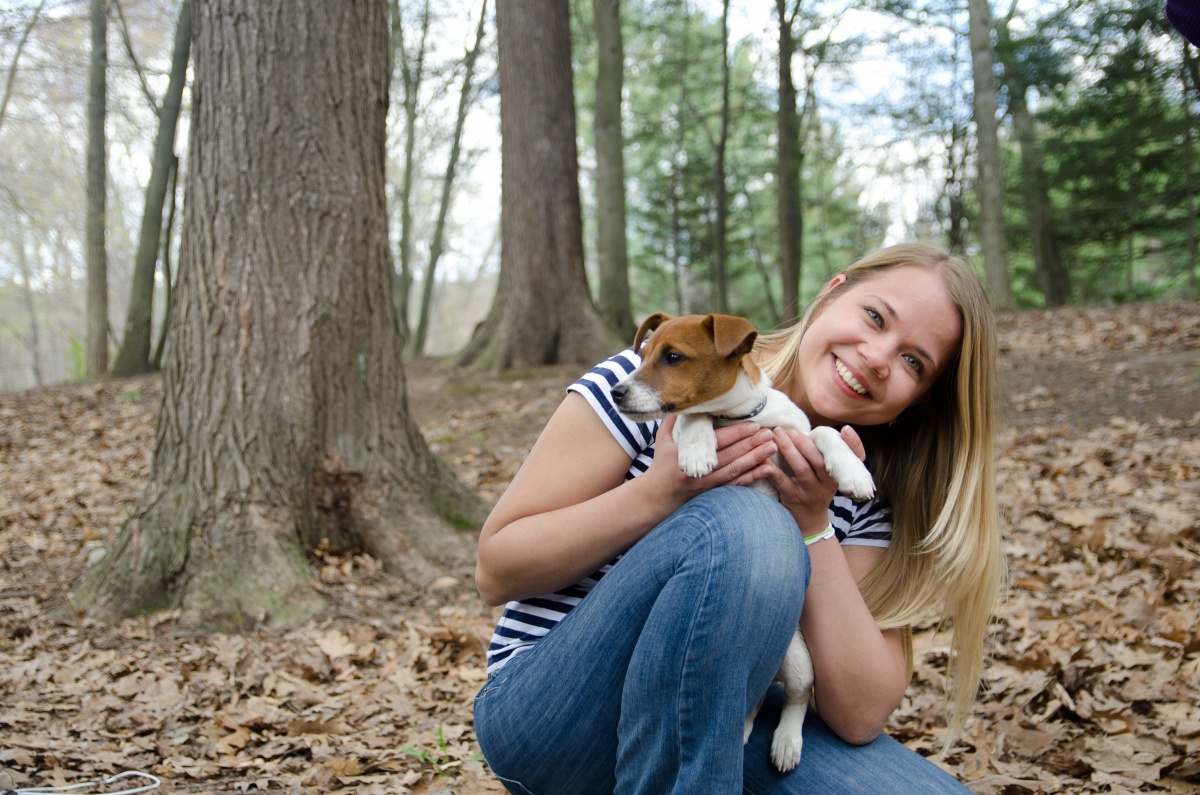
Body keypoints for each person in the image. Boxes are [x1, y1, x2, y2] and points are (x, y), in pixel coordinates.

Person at [472, 242, 1005, 794]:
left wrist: (812, 521)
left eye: (913, 361)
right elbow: (496, 570)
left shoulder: (864, 488)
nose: (877, 356)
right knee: (749, 528)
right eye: (875, 316)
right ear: (832, 292)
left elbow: (861, 713)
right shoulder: (655, 384)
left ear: (918, 400)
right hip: (552, 711)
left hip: (724, 715)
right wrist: (660, 492)